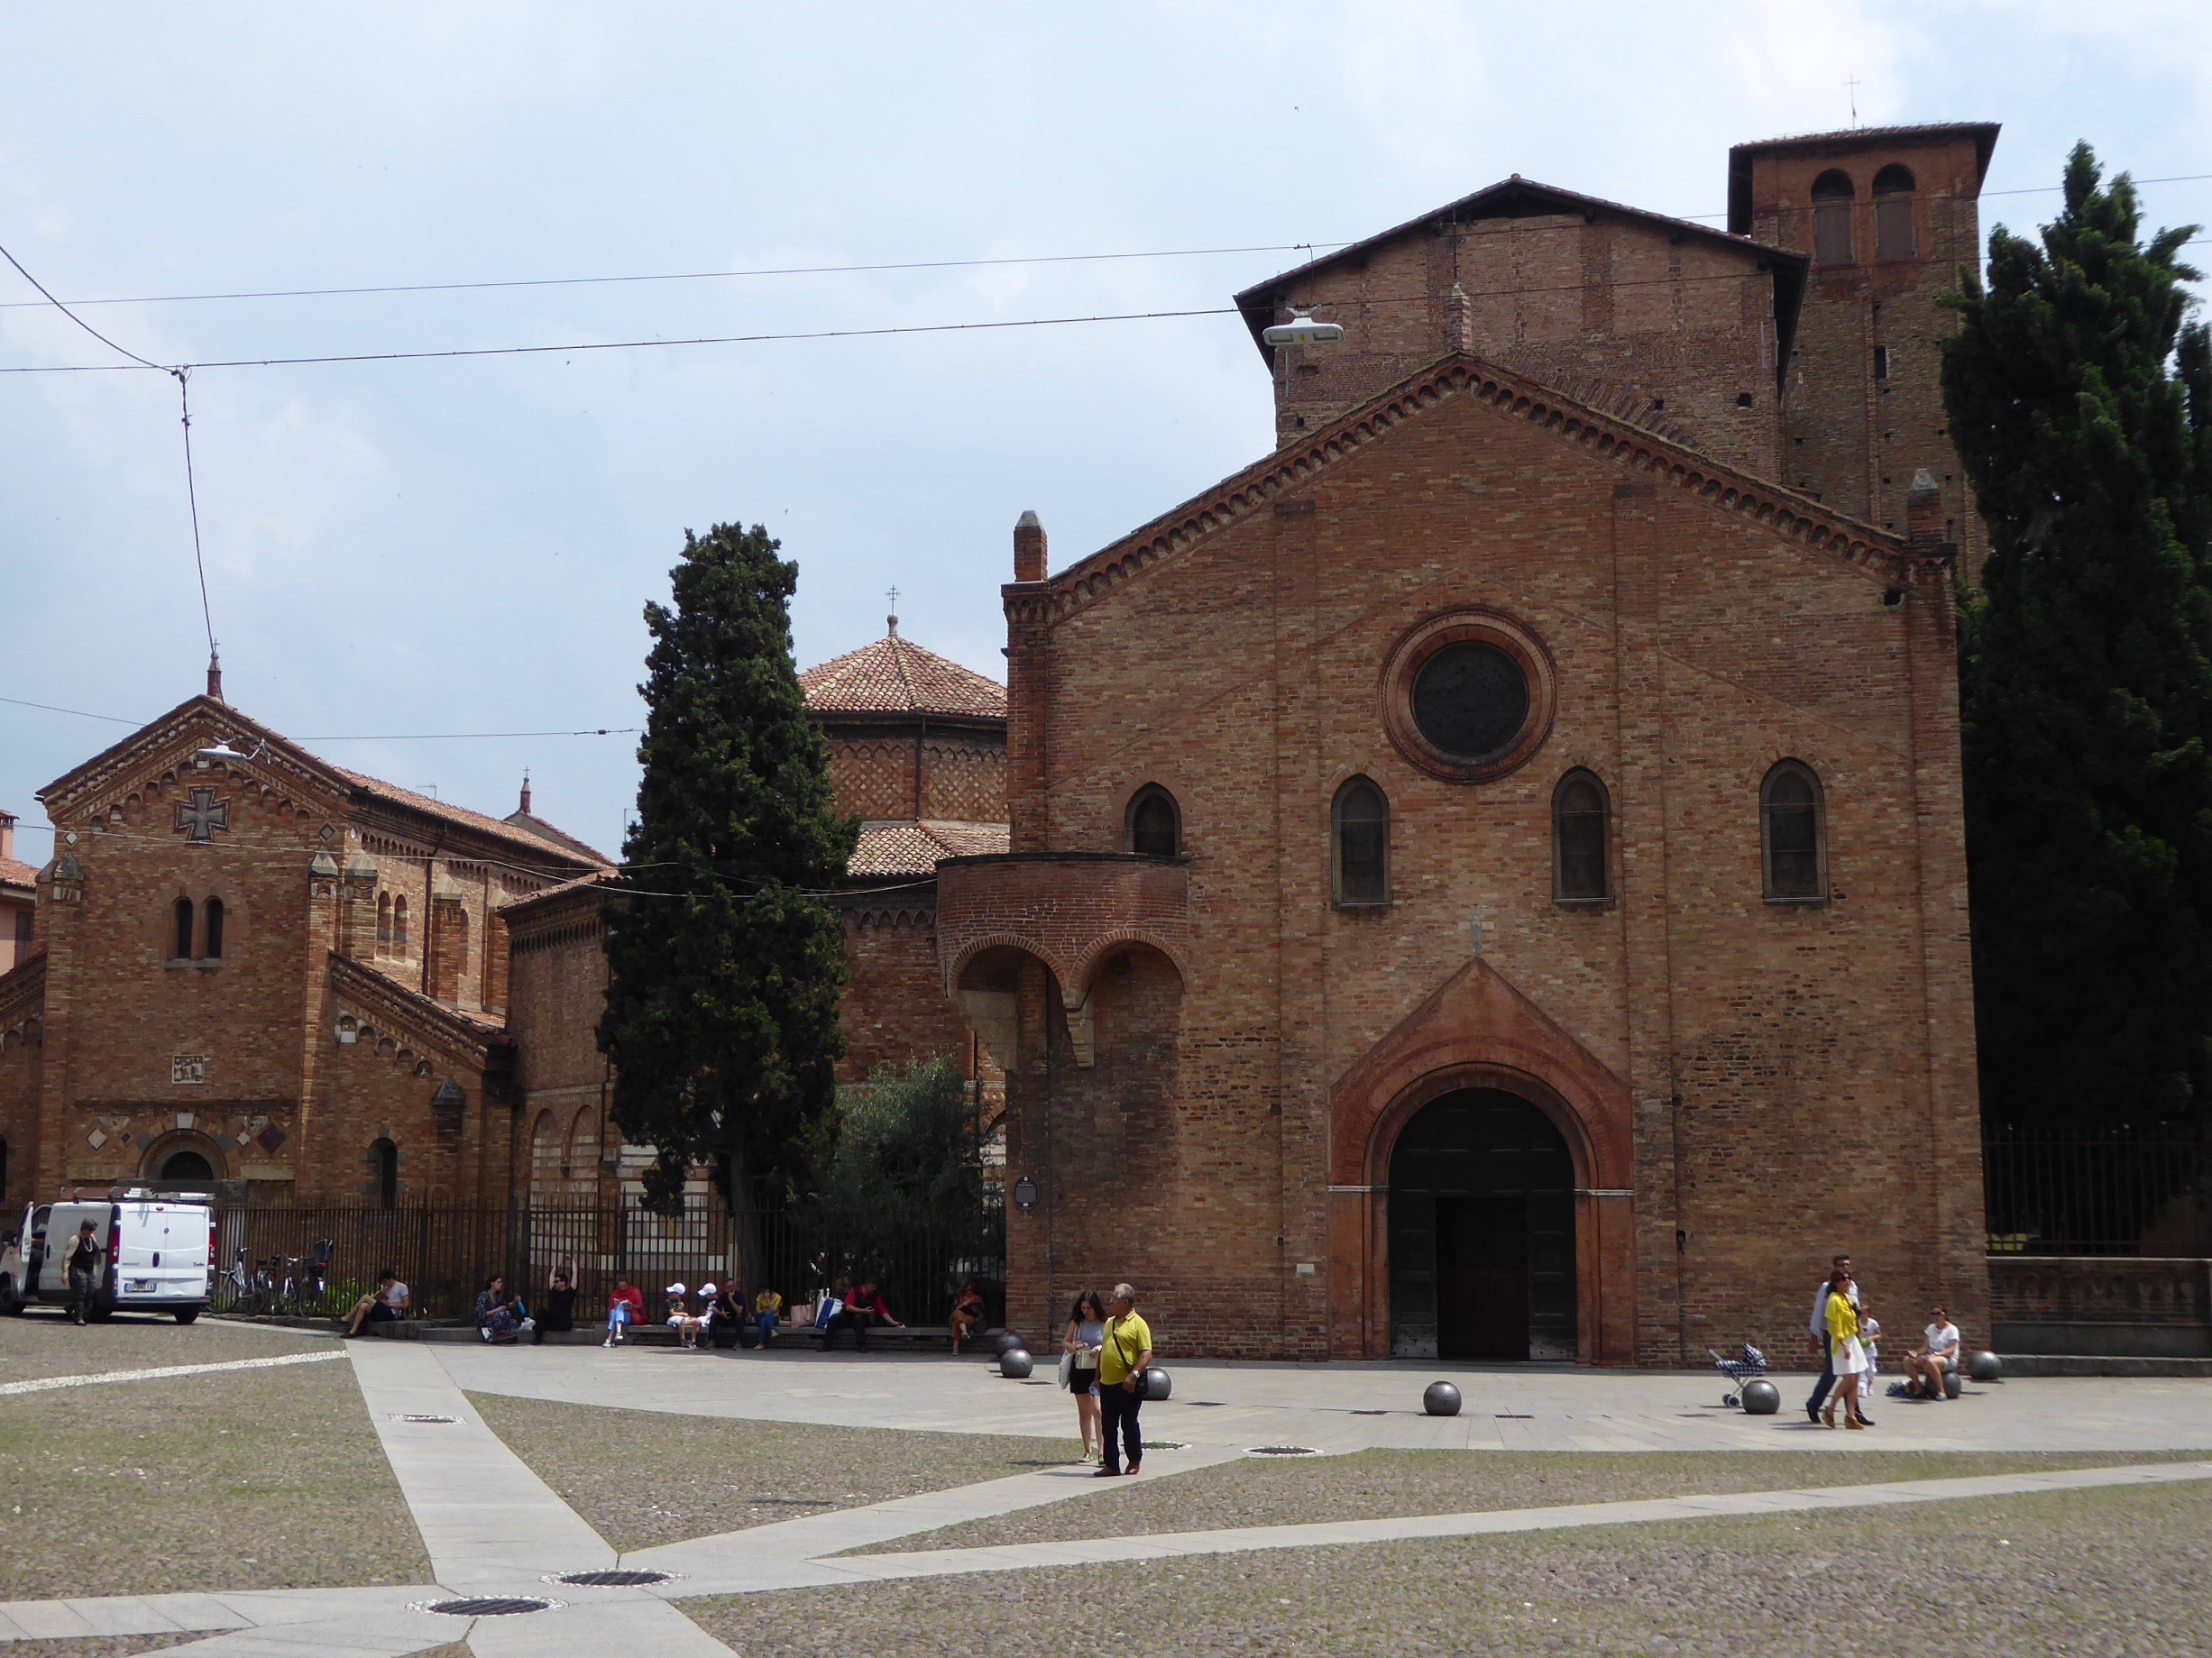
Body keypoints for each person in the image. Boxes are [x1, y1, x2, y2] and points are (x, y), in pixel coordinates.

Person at [1804, 1253, 1873, 1425]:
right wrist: (1814, 1336)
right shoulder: (1827, 1288)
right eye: (1841, 1265)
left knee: (1854, 1374)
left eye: (1848, 1265)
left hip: (1851, 1335)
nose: (1845, 1268)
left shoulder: (1852, 1286)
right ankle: (1815, 1404)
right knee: (1834, 1373)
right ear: (1835, 1268)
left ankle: (1854, 1413)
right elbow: (1819, 1312)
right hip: (1834, 1335)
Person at [1096, 1282, 1153, 1478]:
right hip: (1107, 1383)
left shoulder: (1139, 1324)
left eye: (1114, 1297)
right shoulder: (1109, 1323)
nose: (1110, 1301)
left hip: (1129, 1384)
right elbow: (1104, 1350)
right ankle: (1112, 1464)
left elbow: (1146, 1354)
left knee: (1129, 1425)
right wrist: (1097, 1377)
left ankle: (1134, 1459)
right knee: (1108, 1426)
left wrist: (1134, 1375)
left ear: (1126, 1302)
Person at [1062, 1289, 1106, 1462]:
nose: (1086, 1311)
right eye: (1083, 1307)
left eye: (1088, 1308)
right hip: (1080, 1367)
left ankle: (1102, 1451)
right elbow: (1065, 1342)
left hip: (1097, 1370)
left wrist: (1101, 1348)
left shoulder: (1105, 1322)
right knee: (1084, 1412)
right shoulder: (1077, 1322)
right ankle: (1087, 1450)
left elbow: (1110, 1343)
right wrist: (1075, 1347)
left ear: (1096, 1307)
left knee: (1098, 1410)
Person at [1821, 1268, 1868, 1430]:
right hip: (1842, 1341)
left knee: (1855, 1378)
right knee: (1848, 1378)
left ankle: (1851, 1415)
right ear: (1836, 1283)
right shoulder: (1834, 1300)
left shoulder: (1846, 1298)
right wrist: (1843, 1345)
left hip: (1852, 1339)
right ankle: (1830, 1409)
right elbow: (1833, 1326)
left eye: (1848, 1279)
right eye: (1843, 1279)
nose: (1847, 1282)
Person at [821, 1279, 900, 1351]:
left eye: (875, 1287)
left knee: (858, 1318)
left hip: (861, 1319)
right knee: (833, 1319)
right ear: (866, 1285)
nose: (874, 1289)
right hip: (847, 1316)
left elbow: (882, 1311)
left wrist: (893, 1322)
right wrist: (863, 1311)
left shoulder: (874, 1296)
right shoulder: (854, 1291)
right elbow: (848, 1307)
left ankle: (861, 1344)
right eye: (872, 1287)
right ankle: (827, 1344)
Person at [1905, 1305, 1961, 1399]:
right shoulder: (1931, 1328)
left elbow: (1951, 1350)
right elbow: (1925, 1347)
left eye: (1938, 1314)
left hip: (1948, 1359)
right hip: (1930, 1357)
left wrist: (1935, 1355)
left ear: (1945, 1315)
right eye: (1933, 1314)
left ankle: (1941, 1391)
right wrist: (1916, 1354)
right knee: (1907, 1360)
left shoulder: (1952, 1329)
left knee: (1931, 1361)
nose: (1935, 1317)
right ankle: (1919, 1389)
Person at [344, 1267, 410, 1337]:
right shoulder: (386, 1289)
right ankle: (353, 1330)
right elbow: (376, 1300)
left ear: (391, 1278)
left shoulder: (401, 1287)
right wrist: (381, 1294)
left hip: (391, 1312)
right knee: (363, 1306)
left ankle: (348, 1317)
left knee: (365, 1297)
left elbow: (405, 1305)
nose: (385, 1284)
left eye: (385, 1282)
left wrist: (390, 1305)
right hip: (382, 1310)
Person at [65, 1220, 103, 1326]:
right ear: (84, 1229)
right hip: (77, 1270)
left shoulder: (92, 1238)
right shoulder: (74, 1240)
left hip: (90, 1270)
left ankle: (71, 1307)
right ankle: (79, 1318)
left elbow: (96, 1252)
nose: (91, 1232)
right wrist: (65, 1272)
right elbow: (67, 1258)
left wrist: (96, 1266)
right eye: (89, 1230)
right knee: (81, 1293)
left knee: (90, 1293)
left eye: (92, 1230)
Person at [473, 1275, 520, 1344]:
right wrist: (496, 1311)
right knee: (501, 1315)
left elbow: (506, 1306)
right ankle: (491, 1335)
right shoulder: (484, 1296)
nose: (501, 1284)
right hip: (485, 1321)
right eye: (498, 1282)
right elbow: (479, 1313)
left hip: (496, 1319)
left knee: (511, 1320)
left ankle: (500, 1335)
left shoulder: (498, 1296)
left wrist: (515, 1302)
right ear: (492, 1283)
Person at [533, 1271, 576, 1345]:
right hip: (552, 1319)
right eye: (554, 1282)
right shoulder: (553, 1291)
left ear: (563, 1283)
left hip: (563, 1321)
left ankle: (541, 1327)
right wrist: (560, 1261)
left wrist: (572, 1260)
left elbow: (575, 1273)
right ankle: (538, 1337)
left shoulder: (569, 1292)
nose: (554, 1283)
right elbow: (551, 1274)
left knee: (568, 1325)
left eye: (556, 1282)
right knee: (541, 1311)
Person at [949, 1279, 987, 1354]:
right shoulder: (959, 1297)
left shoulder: (976, 1298)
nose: (969, 1292)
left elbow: (981, 1312)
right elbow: (954, 1309)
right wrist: (965, 1304)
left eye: (971, 1290)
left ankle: (955, 1348)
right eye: (967, 1290)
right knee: (958, 1314)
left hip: (969, 1318)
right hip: (956, 1315)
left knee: (957, 1323)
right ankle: (964, 1332)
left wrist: (975, 1307)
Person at [603, 1278, 644, 1347]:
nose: (623, 1288)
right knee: (614, 1311)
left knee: (618, 1308)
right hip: (616, 1315)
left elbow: (640, 1306)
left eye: (624, 1286)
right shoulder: (615, 1293)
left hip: (629, 1315)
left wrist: (631, 1305)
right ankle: (617, 1333)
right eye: (621, 1286)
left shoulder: (635, 1292)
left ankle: (610, 1338)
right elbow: (611, 1308)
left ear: (628, 1285)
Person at [710, 1282, 746, 1349]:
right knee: (713, 1317)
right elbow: (714, 1308)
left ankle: (739, 1342)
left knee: (739, 1317)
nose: (730, 1288)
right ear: (725, 1288)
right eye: (728, 1287)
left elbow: (739, 1311)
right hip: (725, 1317)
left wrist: (731, 1299)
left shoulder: (739, 1295)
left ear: (735, 1286)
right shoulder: (722, 1296)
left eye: (732, 1286)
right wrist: (721, 1313)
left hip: (735, 1319)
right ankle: (711, 1340)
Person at [753, 1285, 785, 1349]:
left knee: (764, 1320)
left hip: (773, 1319)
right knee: (766, 1314)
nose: (762, 1293)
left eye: (763, 1291)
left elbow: (773, 1311)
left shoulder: (778, 1297)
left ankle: (761, 1343)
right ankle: (772, 1330)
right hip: (761, 1316)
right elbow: (758, 1311)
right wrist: (767, 1312)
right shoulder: (760, 1296)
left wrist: (767, 1299)